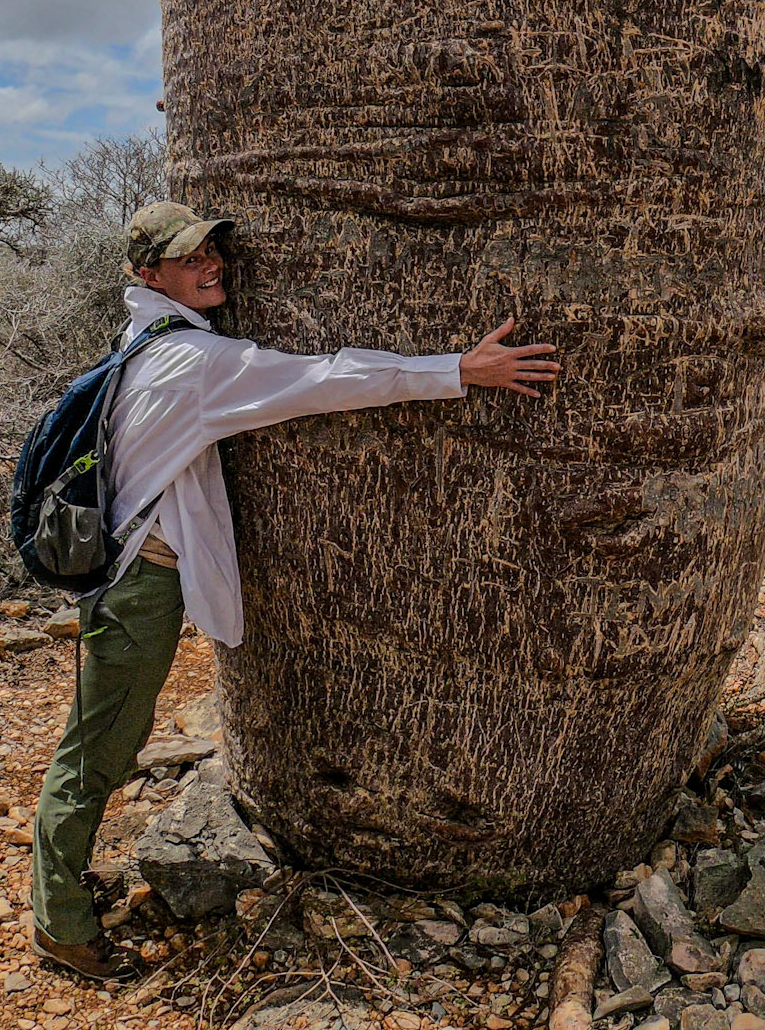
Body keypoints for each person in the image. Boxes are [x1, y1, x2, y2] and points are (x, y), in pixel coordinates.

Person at [31, 199, 558, 982]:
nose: (211, 264)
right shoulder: (194, 363)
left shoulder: (150, 337)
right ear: (149, 275)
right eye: (189, 258)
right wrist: (459, 370)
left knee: (105, 739)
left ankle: (63, 886)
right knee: (99, 749)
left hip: (137, 575)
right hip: (137, 586)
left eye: (212, 249)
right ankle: (61, 924)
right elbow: (323, 379)